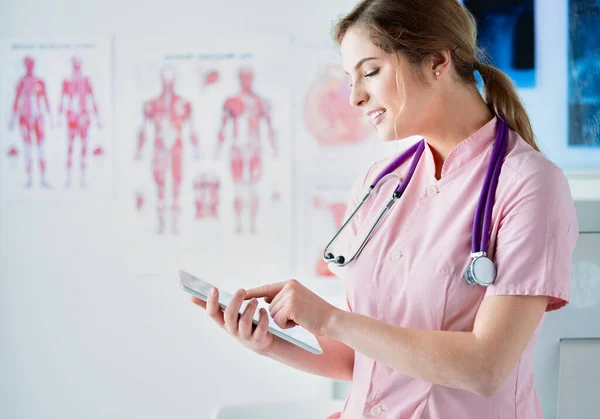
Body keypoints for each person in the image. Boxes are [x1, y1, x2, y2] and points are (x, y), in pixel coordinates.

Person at [191, 1, 579, 418]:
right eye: (350, 79)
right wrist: (268, 341)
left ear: (436, 62)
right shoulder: (379, 184)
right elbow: (358, 360)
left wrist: (329, 318)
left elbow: (485, 366)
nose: (356, 97)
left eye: (370, 72)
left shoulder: (529, 184)